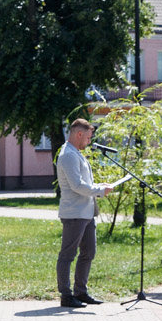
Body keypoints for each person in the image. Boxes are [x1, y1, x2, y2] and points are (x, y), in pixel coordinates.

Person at [55, 118, 114, 308]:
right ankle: (66, 295)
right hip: (74, 213)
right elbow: (77, 185)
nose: (89, 141)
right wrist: (99, 190)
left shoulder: (76, 153)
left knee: (88, 252)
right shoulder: (68, 155)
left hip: (86, 213)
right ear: (79, 134)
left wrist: (100, 186)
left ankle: (81, 292)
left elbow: (84, 182)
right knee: (67, 255)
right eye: (88, 137)